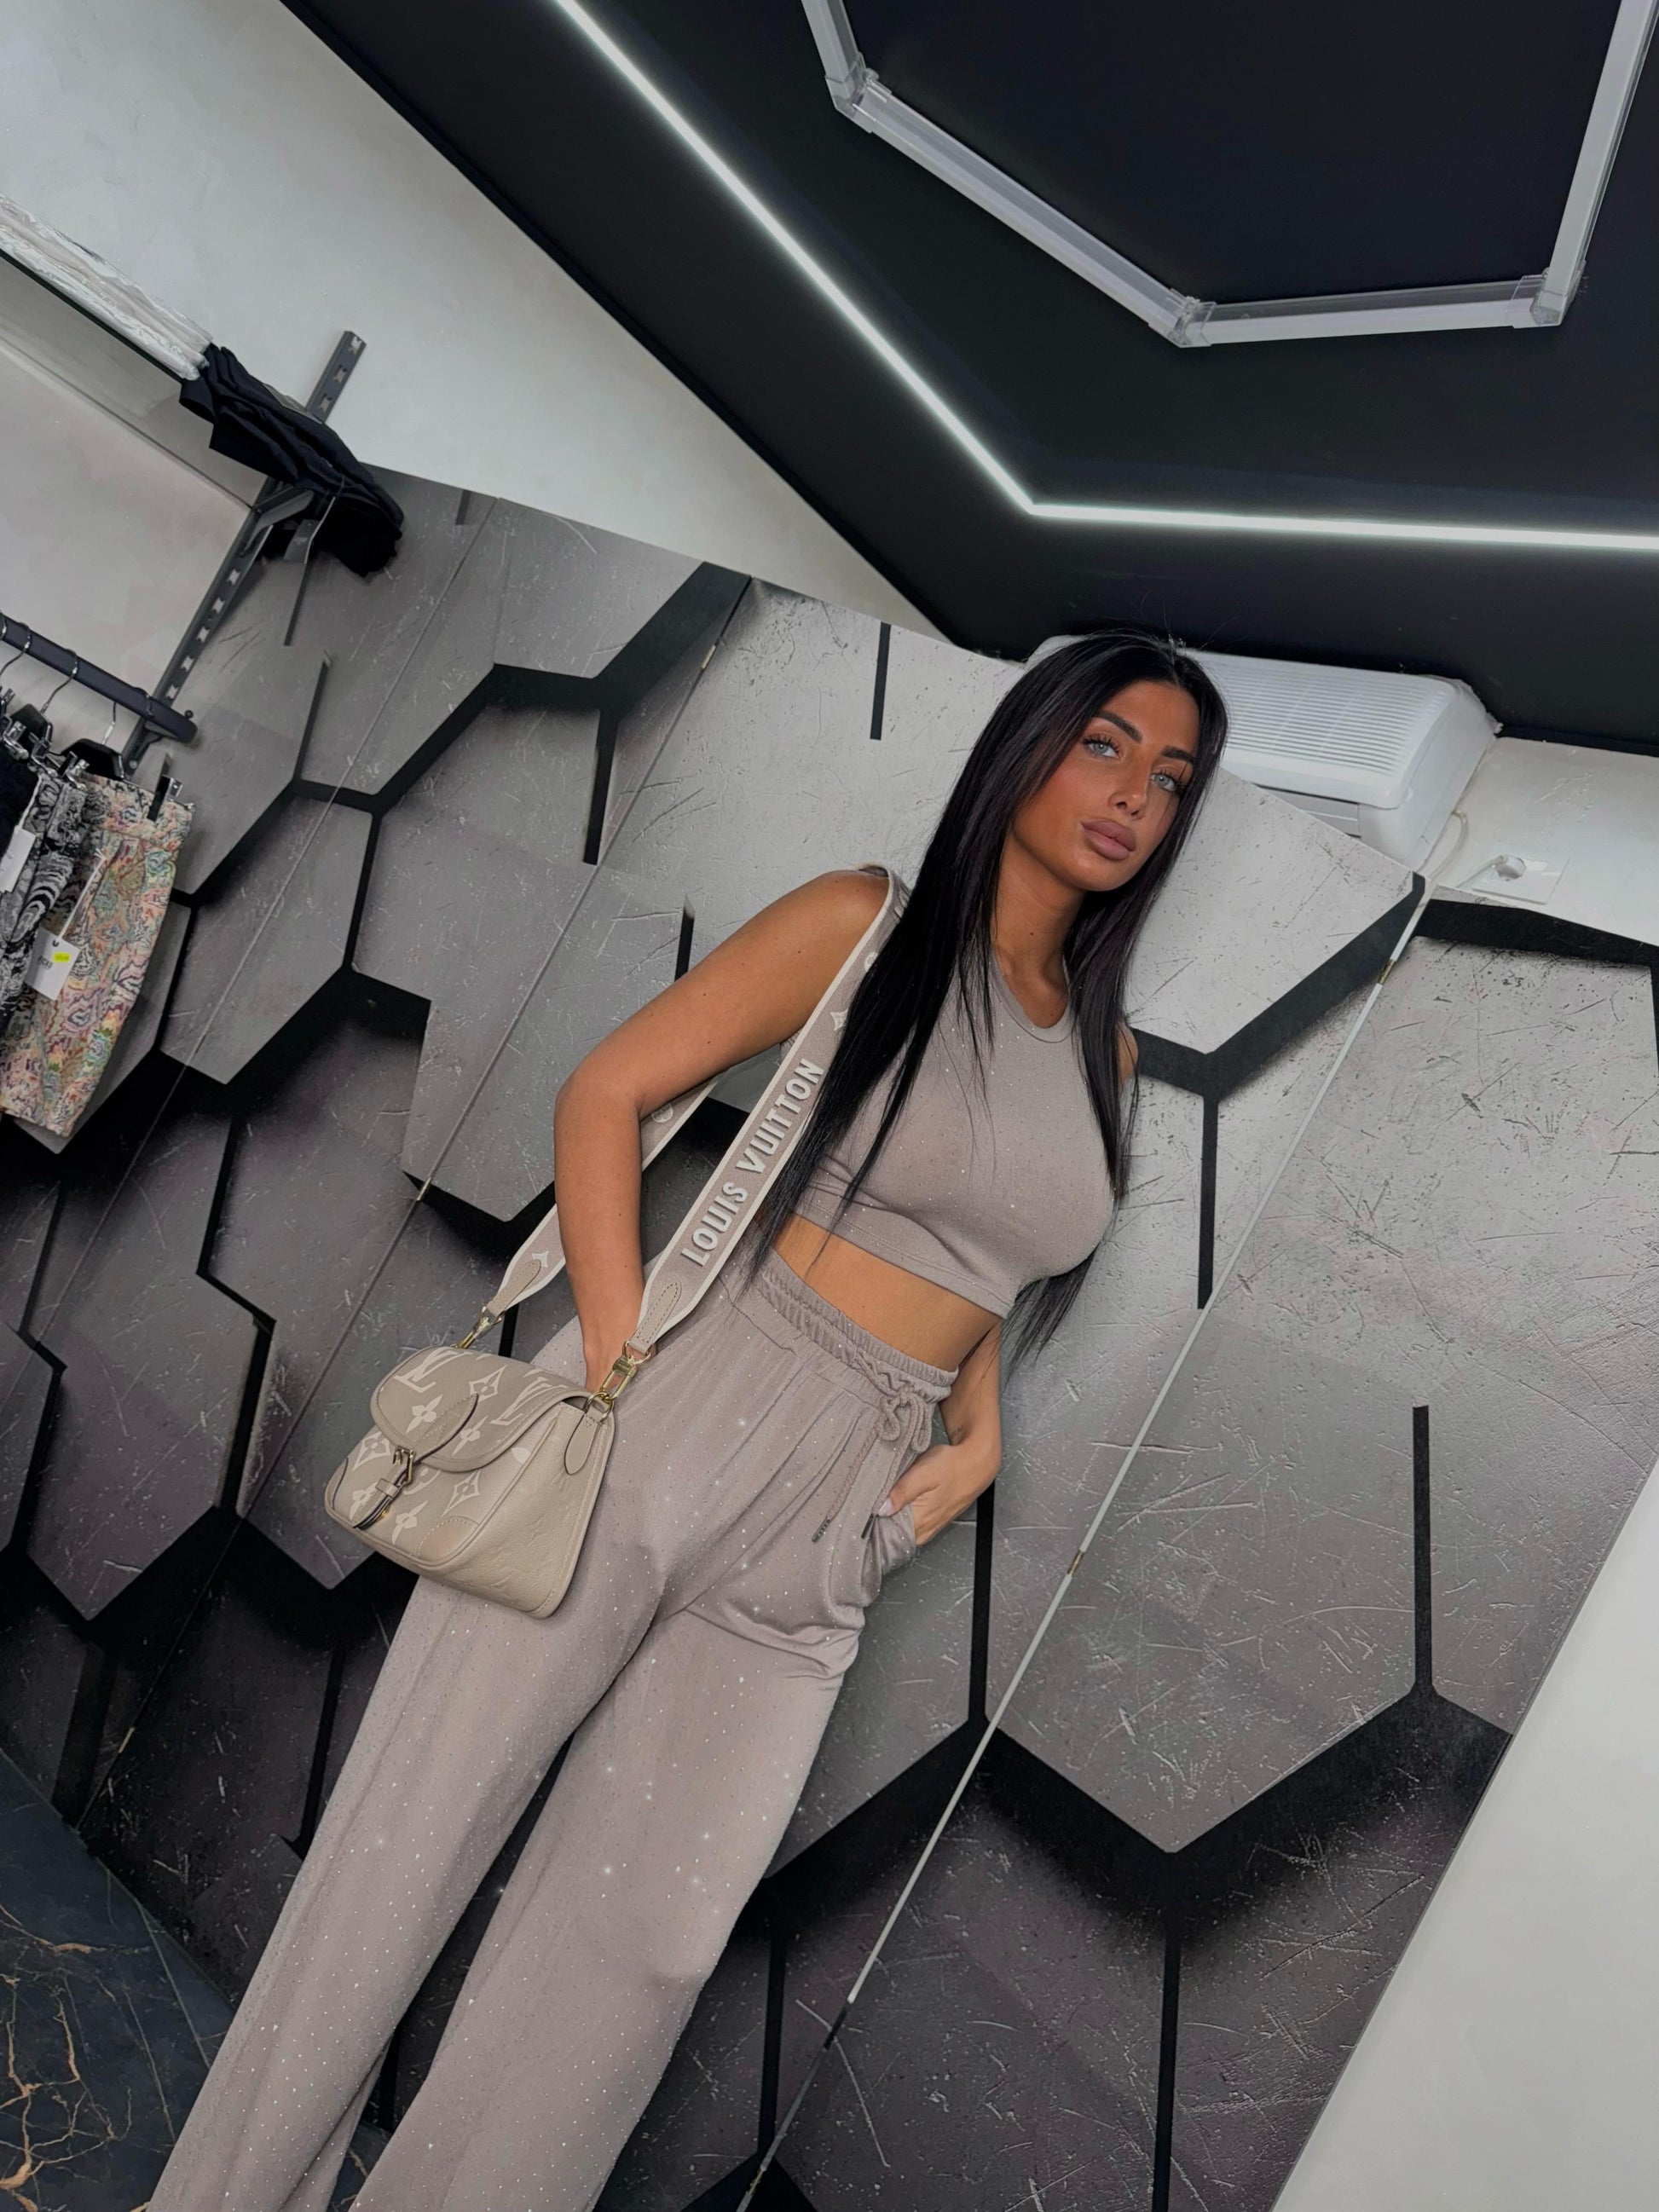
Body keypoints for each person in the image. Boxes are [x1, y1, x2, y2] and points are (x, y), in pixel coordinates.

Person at [151, 625, 1228, 2211]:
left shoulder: (1105, 1057)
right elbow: (607, 1090)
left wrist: (976, 1436)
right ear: (1028, 746)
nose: (1135, 793)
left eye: (1173, 778)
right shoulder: (867, 926)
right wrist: (617, 1353)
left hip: (841, 1510)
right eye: (1105, 745)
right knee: (400, 1860)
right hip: (694, 1394)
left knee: (634, 1957)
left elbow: (990, 1260)